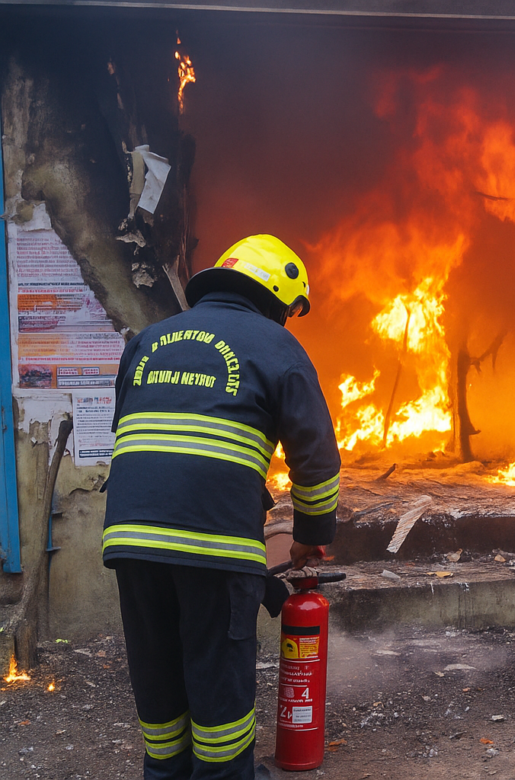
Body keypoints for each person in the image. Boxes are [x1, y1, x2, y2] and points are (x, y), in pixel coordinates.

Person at [102, 235, 342, 780]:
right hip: (211, 544)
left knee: (159, 679)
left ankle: (165, 774)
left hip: (130, 537)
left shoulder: (150, 339)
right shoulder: (276, 347)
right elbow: (317, 461)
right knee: (218, 685)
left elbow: (151, 441)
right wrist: (309, 533)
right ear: (278, 299)